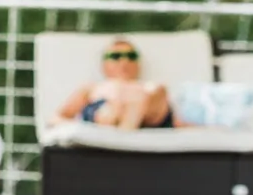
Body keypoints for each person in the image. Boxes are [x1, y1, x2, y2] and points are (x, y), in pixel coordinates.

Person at [51, 38, 180, 131]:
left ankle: (126, 128)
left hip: (148, 114)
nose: (124, 61)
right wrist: (79, 129)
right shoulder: (92, 88)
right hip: (107, 113)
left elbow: (178, 123)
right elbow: (57, 117)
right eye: (116, 56)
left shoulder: (150, 88)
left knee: (158, 90)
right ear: (104, 65)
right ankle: (125, 125)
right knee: (116, 106)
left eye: (131, 56)